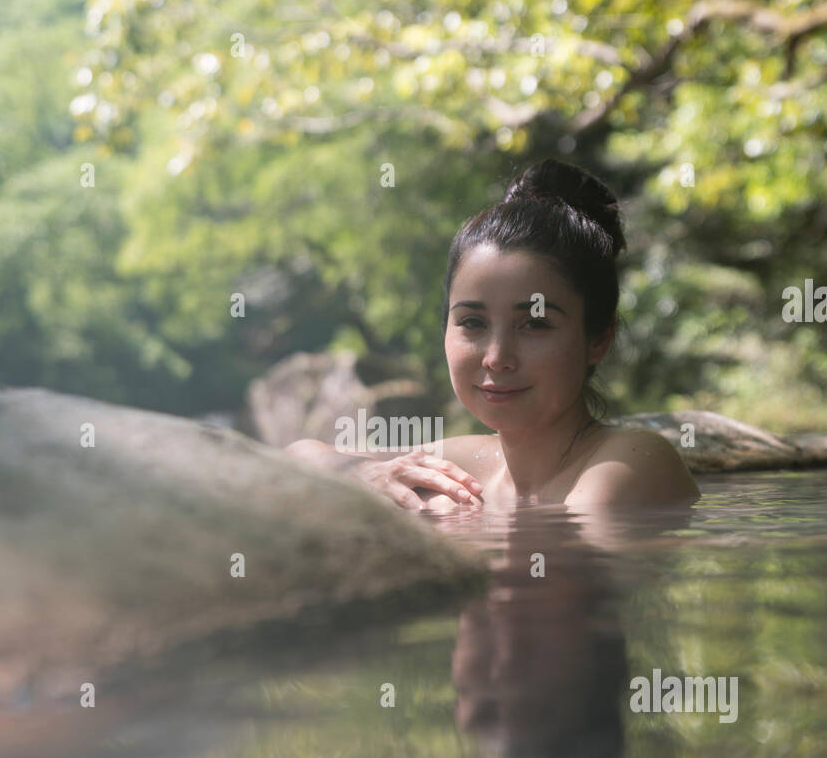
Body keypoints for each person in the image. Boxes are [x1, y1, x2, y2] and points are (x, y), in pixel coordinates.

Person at [287, 159, 700, 511]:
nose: (496, 356)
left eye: (534, 323)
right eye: (473, 323)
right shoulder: (471, 462)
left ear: (598, 338)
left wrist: (440, 511)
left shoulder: (633, 463)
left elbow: (554, 575)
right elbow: (298, 457)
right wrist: (364, 474)